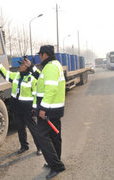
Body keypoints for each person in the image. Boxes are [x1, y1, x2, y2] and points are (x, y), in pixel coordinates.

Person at [25, 45, 66, 179]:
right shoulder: (53, 65)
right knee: (54, 136)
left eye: (40, 55)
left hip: (50, 109)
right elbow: (40, 78)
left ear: (44, 55)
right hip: (54, 108)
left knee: (42, 136)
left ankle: (56, 166)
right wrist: (31, 67)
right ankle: (55, 161)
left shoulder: (50, 67)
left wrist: (43, 109)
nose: (39, 57)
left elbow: (50, 90)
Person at [0, 57, 42, 155]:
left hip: (28, 108)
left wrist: (34, 107)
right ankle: (24, 146)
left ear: (27, 67)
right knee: (20, 127)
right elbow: (5, 73)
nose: (20, 66)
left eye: (22, 65)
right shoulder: (16, 76)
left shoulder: (32, 79)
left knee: (33, 129)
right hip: (16, 106)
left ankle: (40, 147)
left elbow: (36, 94)